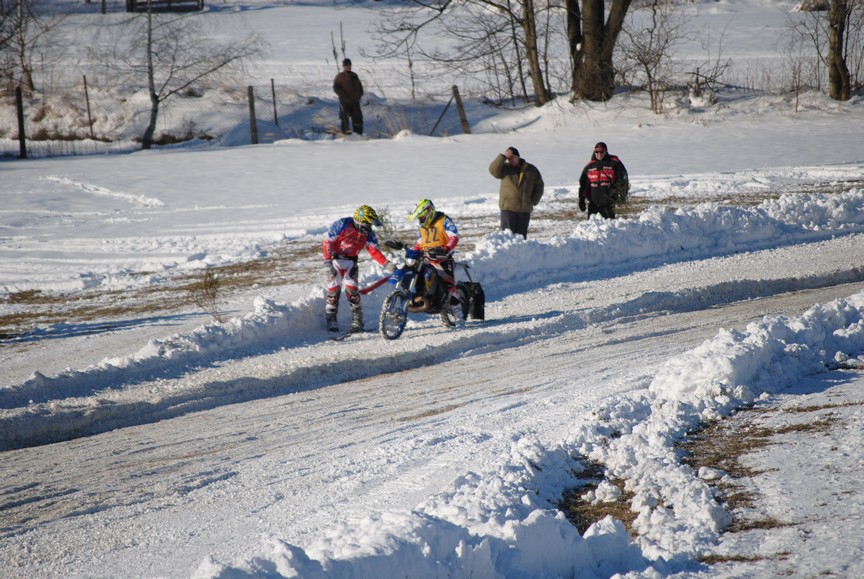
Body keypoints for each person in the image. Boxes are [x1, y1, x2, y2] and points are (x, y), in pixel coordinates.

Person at [322, 205, 395, 333]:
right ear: (361, 221)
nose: (369, 228)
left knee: (352, 291)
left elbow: (373, 250)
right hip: (335, 260)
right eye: (368, 224)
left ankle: (357, 320)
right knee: (333, 289)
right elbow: (327, 242)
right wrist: (328, 262)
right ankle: (331, 319)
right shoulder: (342, 224)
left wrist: (386, 264)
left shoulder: (368, 234)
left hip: (351, 261)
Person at [408, 199, 461, 308]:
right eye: (419, 218)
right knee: (414, 271)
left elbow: (454, 236)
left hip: (442, 256)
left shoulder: (444, 220)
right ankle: (417, 296)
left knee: (448, 281)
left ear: (429, 211)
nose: (421, 220)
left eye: (422, 217)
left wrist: (446, 248)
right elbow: (420, 242)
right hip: (427, 257)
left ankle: (456, 306)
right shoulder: (422, 227)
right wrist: (413, 252)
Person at [488, 146, 545, 238]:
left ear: (518, 156)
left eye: (513, 157)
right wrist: (503, 156)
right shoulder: (504, 168)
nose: (511, 160)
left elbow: (539, 186)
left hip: (524, 210)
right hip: (508, 209)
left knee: (521, 239)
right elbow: (492, 170)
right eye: (509, 158)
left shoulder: (531, 169)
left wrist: (533, 200)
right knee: (507, 237)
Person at [578, 141, 629, 220]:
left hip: (608, 203)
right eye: (597, 152)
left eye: (602, 152)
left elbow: (623, 180)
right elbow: (583, 185)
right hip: (593, 204)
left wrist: (622, 195)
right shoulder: (589, 166)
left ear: (606, 152)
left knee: (608, 228)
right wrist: (581, 200)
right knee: (592, 228)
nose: (599, 154)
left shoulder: (614, 163)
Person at [332, 58, 364, 135]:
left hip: (355, 101)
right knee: (345, 119)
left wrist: (360, 93)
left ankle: (359, 135)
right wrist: (343, 94)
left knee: (358, 119)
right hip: (345, 102)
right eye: (346, 65)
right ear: (344, 66)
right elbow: (335, 87)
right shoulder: (340, 76)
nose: (348, 67)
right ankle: (346, 135)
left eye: (349, 65)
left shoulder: (354, 75)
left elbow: (360, 86)